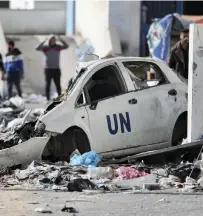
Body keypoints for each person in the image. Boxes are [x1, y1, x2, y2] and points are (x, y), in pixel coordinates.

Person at [36, 35, 69, 101]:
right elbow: (37, 48)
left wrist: (61, 39)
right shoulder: (46, 47)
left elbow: (66, 46)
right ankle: (47, 99)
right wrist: (44, 41)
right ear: (49, 40)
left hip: (56, 69)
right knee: (48, 85)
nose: (53, 41)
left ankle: (59, 98)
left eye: (54, 40)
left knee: (58, 85)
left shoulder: (58, 47)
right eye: (52, 40)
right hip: (48, 69)